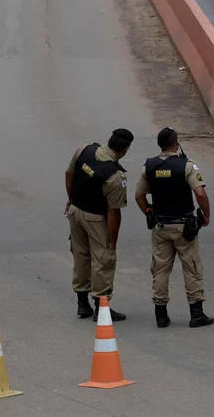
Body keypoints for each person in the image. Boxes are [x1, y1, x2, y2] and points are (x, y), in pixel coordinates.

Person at [134, 127, 213, 328]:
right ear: (176, 144)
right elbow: (201, 194)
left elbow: (139, 196)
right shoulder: (186, 166)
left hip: (160, 225)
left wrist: (149, 213)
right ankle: (196, 314)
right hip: (184, 226)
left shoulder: (148, 167)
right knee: (192, 267)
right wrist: (206, 215)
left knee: (160, 269)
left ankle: (160, 314)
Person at [65, 128, 133, 322]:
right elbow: (114, 212)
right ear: (125, 150)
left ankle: (82, 303)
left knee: (80, 255)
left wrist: (71, 199)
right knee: (103, 259)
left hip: (75, 212)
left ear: (109, 140)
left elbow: (69, 173)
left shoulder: (84, 150)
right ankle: (101, 308)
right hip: (95, 218)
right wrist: (112, 242)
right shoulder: (115, 176)